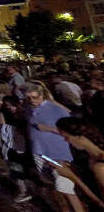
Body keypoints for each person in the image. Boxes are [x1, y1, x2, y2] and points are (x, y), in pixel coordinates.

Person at [24, 83, 84, 212]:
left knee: (66, 188)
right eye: (28, 98)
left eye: (34, 97)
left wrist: (49, 128)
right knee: (51, 185)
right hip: (39, 152)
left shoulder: (56, 109)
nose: (31, 100)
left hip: (57, 153)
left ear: (42, 95)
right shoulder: (29, 109)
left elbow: (71, 128)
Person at [50, 117, 104, 208]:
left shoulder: (100, 167)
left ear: (81, 137)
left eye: (66, 137)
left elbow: (101, 203)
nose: (66, 141)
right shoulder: (92, 158)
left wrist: (72, 177)